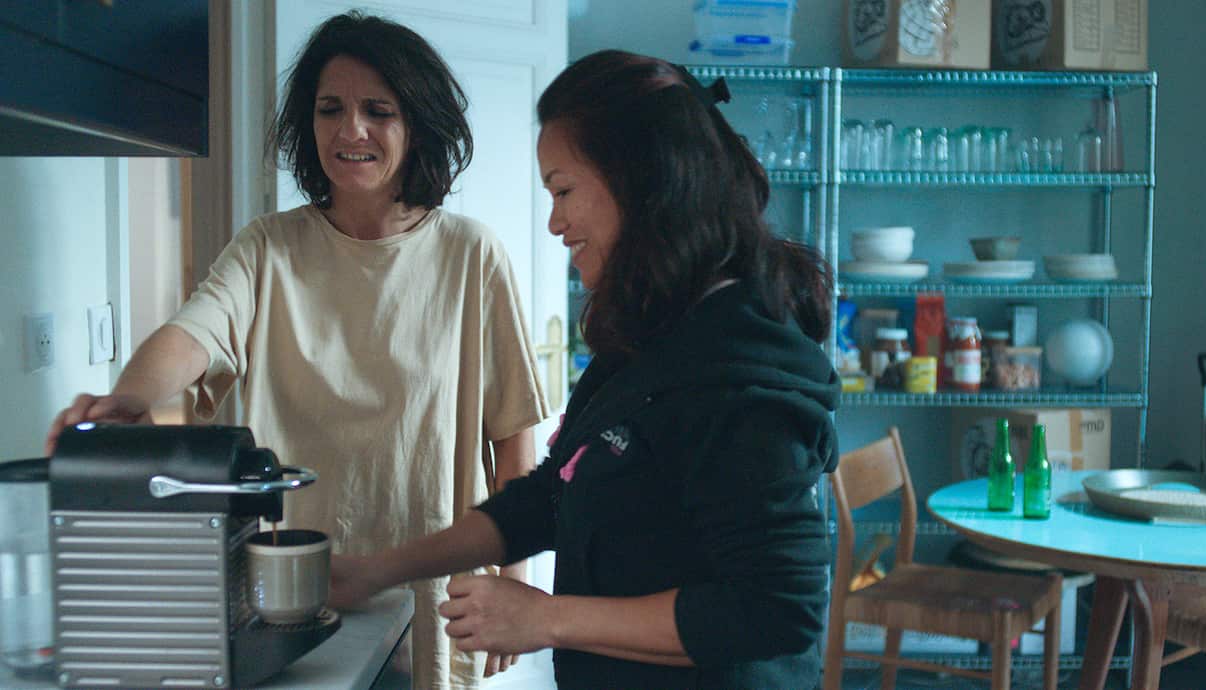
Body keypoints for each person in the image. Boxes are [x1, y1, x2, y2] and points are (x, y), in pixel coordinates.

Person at [44, 12, 550, 689]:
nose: (351, 131)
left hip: (432, 594)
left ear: (417, 124)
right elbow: (191, 334)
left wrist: (511, 585)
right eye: (330, 109)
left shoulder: (471, 255)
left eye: (379, 110)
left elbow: (515, 442)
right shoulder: (267, 248)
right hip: (292, 591)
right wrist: (127, 398)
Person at [328, 49, 840, 689]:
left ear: (643, 182)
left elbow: (776, 610)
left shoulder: (736, 372)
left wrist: (549, 620)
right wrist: (380, 569)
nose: (554, 221)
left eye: (564, 190)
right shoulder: (654, 333)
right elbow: (552, 495)